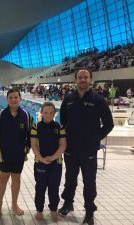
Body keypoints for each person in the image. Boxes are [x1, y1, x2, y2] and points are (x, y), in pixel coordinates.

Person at [58, 68, 114, 225]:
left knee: (89, 181)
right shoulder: (68, 99)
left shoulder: (98, 100)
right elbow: (63, 120)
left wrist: (95, 138)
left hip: (88, 149)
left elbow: (109, 124)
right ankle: (68, 203)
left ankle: (89, 211)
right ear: (75, 80)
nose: (82, 80)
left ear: (91, 80)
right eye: (80, 77)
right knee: (70, 177)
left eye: (85, 77)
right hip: (70, 148)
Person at [0, 88, 33, 216]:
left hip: (20, 153)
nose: (13, 100)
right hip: (5, 153)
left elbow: (32, 133)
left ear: (20, 99)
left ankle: (14, 205)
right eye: (11, 98)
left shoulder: (26, 116)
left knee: (16, 178)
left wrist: (28, 147)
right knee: (3, 178)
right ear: (7, 99)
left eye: (16, 97)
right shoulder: (0, 115)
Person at [31, 102, 66, 221]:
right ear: (41, 113)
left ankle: (53, 210)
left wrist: (53, 157)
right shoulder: (36, 127)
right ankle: (39, 210)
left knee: (54, 188)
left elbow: (63, 145)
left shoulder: (59, 127)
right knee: (40, 187)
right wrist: (41, 158)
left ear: (54, 113)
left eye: (51, 113)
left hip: (56, 163)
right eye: (45, 112)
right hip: (40, 162)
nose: (48, 115)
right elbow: (34, 145)